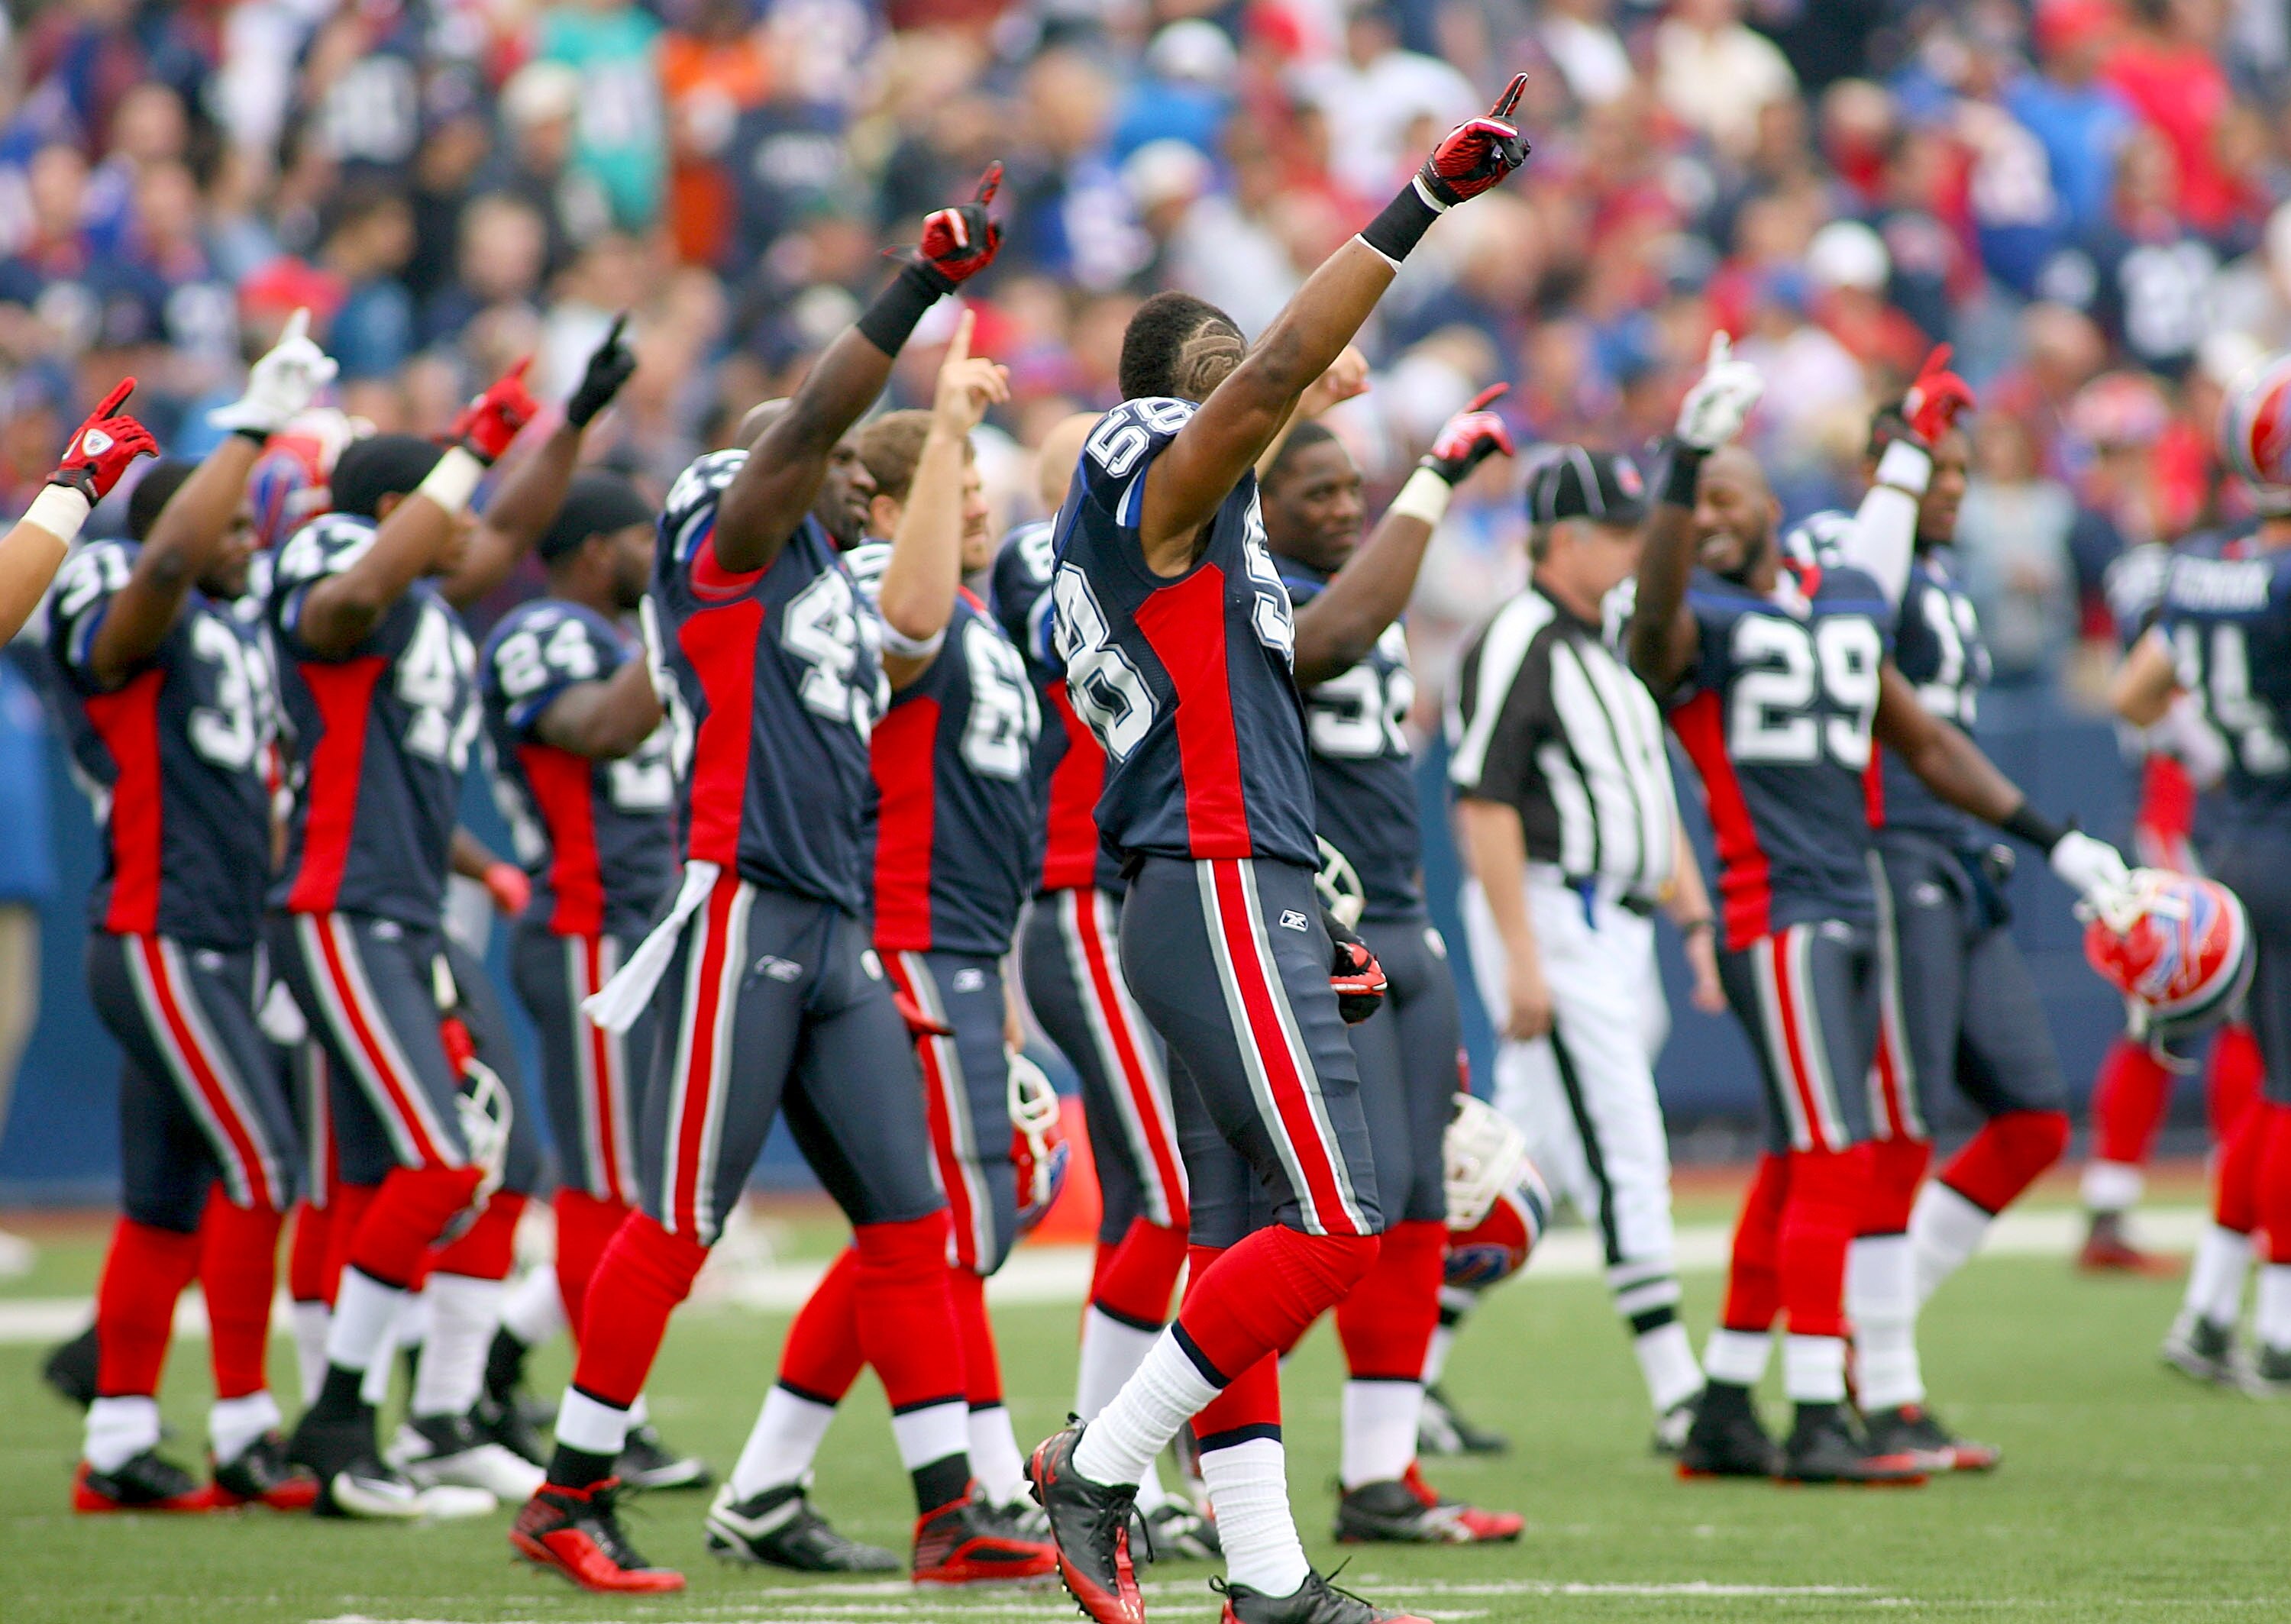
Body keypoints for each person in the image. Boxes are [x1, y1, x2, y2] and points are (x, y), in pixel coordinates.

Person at [1027, 80, 1530, 1624]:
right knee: (1332, 1225)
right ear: (1198, 398)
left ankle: (1263, 1577)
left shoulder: (1199, 535)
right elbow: (1262, 384)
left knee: (1241, 1235)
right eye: (1243, 380)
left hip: (1235, 873)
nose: (1279, 395)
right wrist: (1421, 207)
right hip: (1209, 869)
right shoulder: (1163, 470)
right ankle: (1098, 1465)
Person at [509, 170, 1033, 1595]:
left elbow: (907, 603)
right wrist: (916, 288)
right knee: (679, 1218)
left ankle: (950, 1508)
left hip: (832, 916)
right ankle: (566, 1495)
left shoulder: (818, 578)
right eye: (838, 476)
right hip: (740, 900)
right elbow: (806, 429)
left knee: (910, 1218)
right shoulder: (732, 546)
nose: (855, 490)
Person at [1628, 336, 2129, 1485]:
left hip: (1848, 904)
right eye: (1697, 501)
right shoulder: (1690, 623)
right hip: (1783, 914)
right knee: (1837, 1151)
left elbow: (1932, 737)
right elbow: (1655, 617)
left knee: (1824, 1158)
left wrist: (2064, 844)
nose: (1709, 517)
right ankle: (1819, 1414)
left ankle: (1736, 1401)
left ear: (1774, 512)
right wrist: (1685, 456)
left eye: (1727, 497)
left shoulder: (1836, 610)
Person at [703, 318, 1058, 1574]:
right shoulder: (877, 586)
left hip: (960, 941)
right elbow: (895, 642)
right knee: (943, 1227)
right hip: (897, 933)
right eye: (954, 489)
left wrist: (1004, 976)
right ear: (886, 503)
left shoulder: (974, 603)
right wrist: (945, 420)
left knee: (934, 1227)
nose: (976, 506)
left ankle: (768, 1482)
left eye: (978, 490)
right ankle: (985, 1484)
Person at [269, 321, 632, 1519]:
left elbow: (513, 528)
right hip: (340, 908)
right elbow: (362, 585)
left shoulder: (423, 594)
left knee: (503, 1159)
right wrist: (465, 453)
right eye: (448, 499)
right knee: (433, 1155)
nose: (477, 525)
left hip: (409, 913)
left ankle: (436, 1413)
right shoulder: (345, 575)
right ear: (401, 506)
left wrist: (567, 419)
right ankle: (336, 1422)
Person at [44, 317, 331, 1511]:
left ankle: (116, 1441)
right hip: (158, 928)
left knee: (164, 1195)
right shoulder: (129, 579)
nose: (243, 531)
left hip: (216, 929)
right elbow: (157, 571)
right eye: (224, 509)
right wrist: (246, 426)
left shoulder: (236, 626)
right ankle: (247, 1424)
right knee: (263, 1159)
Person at [1783, 354, 2087, 1473]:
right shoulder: (1848, 553)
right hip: (1881, 851)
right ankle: (1891, 1384)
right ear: (1880, 470)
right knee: (1898, 1123)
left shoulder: (1942, 573)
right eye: (1934, 468)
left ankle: (1877, 1329)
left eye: (1962, 470)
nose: (1955, 487)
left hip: (1955, 859)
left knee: (2034, 1114)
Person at [1256, 405, 1525, 1542]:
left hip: (1406, 920)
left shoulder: (1367, 583)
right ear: (1257, 507)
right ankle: (1197, 1406)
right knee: (1335, 1216)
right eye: (1311, 490)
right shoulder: (1263, 597)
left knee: (1421, 1204)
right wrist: (1436, 476)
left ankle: (1382, 1476)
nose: (1339, 503)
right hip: (1328, 935)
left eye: (1347, 485)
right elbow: (1328, 641)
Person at [1446, 444, 1717, 1459]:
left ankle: (1415, 1367)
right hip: (1559, 914)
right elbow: (1485, 801)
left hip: (1617, 916)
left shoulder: (1605, 640)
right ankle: (1680, 1389)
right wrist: (1521, 954)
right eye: (1615, 531)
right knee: (1626, 1143)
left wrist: (1692, 920)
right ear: (1563, 539)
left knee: (1533, 1164)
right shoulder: (1519, 634)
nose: (1631, 549)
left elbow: (1650, 796)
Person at [993, 412, 1223, 1557]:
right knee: (1177, 1192)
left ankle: (1119, 1457)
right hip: (1081, 894)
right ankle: (1100, 1464)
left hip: (1126, 892)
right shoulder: (1048, 557)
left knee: (1156, 1193)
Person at [477, 468, 709, 1490]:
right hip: (584, 927)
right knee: (606, 1186)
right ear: (590, 550)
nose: (652, 558)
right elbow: (597, 729)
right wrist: (688, 617)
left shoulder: (615, 638)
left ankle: (502, 1347)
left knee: (647, 1181)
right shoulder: (546, 634)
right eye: (637, 541)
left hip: (637, 926)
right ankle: (613, 1423)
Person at [2113, 367, 2291, 1393]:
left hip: (2238, 841)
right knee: (2284, 1091)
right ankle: (2273, 1323)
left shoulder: (2201, 568)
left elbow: (2138, 695)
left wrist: (2218, 752)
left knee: (2271, 1087)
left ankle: (2214, 1305)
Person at [2, 378, 157, 642]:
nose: (35, 440)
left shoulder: (100, 520)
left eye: (44, 424)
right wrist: (69, 494)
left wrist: (72, 489)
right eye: (27, 425)